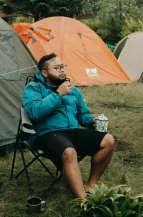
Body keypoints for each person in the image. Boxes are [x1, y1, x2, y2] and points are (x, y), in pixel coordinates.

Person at [22, 53, 115, 199]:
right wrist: (58, 95)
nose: (62, 71)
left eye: (62, 67)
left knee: (108, 140)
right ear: (44, 73)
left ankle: (91, 185)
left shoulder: (73, 90)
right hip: (46, 134)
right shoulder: (34, 88)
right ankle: (83, 200)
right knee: (69, 151)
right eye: (57, 68)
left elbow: (82, 114)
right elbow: (34, 112)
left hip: (71, 132)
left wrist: (91, 121)